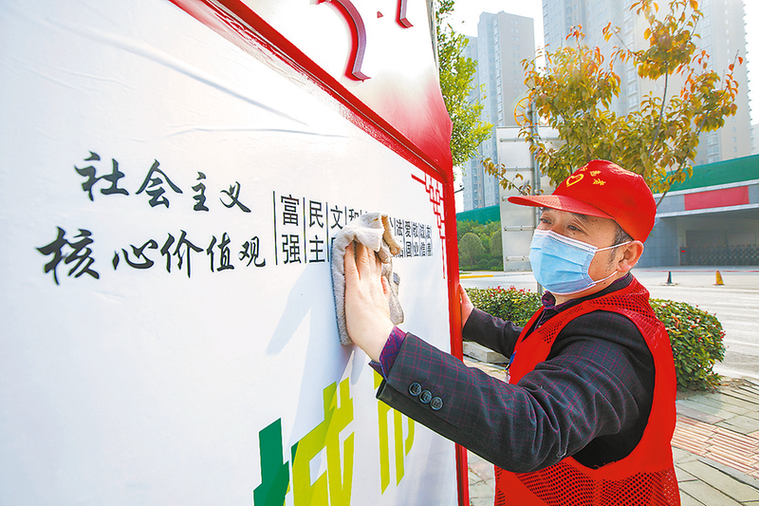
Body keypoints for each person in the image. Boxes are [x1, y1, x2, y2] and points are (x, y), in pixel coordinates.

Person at [343, 160, 680, 506]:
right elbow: (542, 347)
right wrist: (472, 321)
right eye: (547, 221)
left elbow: (534, 427)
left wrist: (382, 337)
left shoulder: (617, 338)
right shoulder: (584, 303)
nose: (550, 237)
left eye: (574, 228)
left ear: (626, 255)